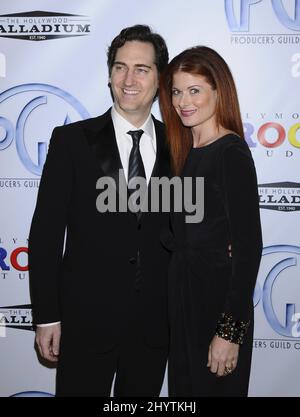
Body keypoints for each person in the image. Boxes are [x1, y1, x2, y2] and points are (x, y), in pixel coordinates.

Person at [29, 25, 170, 397]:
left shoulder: (183, 146)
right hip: (84, 323)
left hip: (156, 326)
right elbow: (45, 235)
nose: (129, 79)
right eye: (120, 67)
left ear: (160, 78)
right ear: (109, 76)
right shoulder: (71, 141)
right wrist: (47, 316)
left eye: (142, 68)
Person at [159, 46, 262, 397]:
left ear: (218, 92)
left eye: (194, 90)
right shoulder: (183, 151)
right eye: (176, 91)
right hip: (183, 304)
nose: (183, 101)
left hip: (218, 307)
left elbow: (248, 249)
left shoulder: (230, 153)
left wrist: (230, 333)